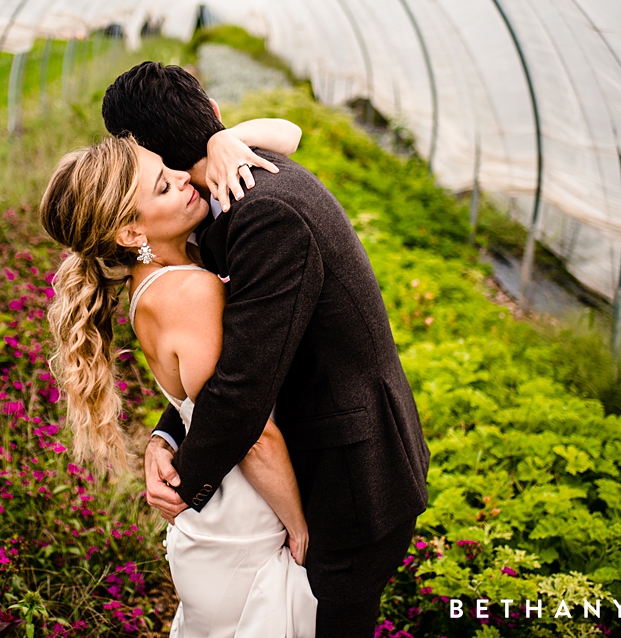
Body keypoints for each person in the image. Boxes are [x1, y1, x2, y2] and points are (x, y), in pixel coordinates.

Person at [102, 62, 431, 638]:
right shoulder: (226, 191)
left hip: (354, 471)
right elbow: (234, 353)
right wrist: (167, 432)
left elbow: (242, 389)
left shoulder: (263, 211)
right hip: (326, 454)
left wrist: (183, 484)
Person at [41, 121, 317, 637]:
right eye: (164, 185)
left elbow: (287, 133)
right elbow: (248, 429)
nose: (184, 178)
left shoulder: (164, 275)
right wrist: (299, 526)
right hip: (245, 517)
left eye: (167, 166)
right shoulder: (187, 293)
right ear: (131, 234)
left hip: (227, 510)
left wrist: (219, 140)